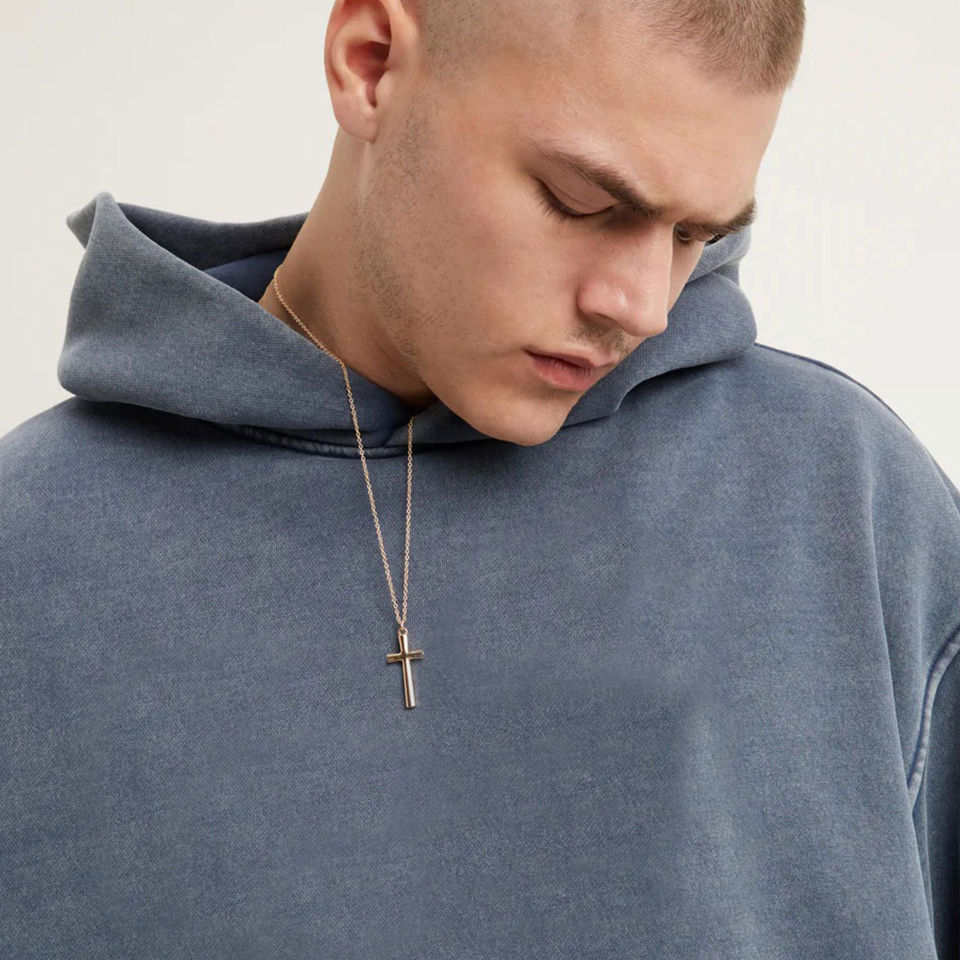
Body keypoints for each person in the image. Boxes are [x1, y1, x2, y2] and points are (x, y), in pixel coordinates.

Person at [1, 0, 957, 956]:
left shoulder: (845, 506)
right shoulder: (30, 559)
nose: (641, 307)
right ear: (371, 63)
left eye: (691, 235)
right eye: (582, 201)